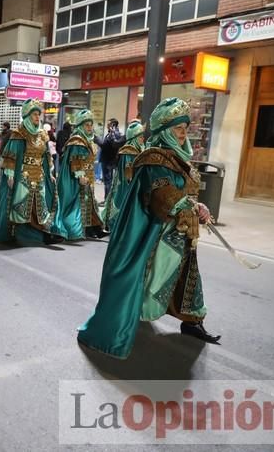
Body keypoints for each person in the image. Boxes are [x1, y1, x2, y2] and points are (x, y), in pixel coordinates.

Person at [77, 97, 221, 360]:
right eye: (178, 128)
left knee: (187, 276)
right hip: (157, 234)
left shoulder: (178, 157)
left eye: (185, 128)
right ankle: (123, 322)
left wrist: (198, 206)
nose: (183, 133)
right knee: (149, 278)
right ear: (165, 129)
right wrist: (186, 206)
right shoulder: (153, 158)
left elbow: (183, 192)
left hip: (180, 231)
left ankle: (192, 321)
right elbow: (161, 193)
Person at [0, 99, 63, 245]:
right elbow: (11, 156)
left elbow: (46, 156)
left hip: (39, 176)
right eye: (34, 114)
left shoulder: (43, 135)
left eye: (38, 115)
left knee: (40, 206)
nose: (37, 117)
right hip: (23, 176)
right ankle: (15, 234)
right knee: (21, 206)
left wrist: (50, 173)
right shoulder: (18, 134)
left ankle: (44, 233)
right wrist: (10, 174)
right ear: (27, 116)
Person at [56, 109, 106, 241]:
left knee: (89, 202)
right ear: (80, 126)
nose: (89, 127)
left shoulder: (88, 139)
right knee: (79, 203)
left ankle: (92, 228)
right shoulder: (77, 140)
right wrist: (80, 175)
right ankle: (76, 229)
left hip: (89, 176)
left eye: (91, 124)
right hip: (79, 178)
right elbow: (75, 161)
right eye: (86, 125)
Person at [101, 120, 145, 232]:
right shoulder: (129, 151)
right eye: (140, 136)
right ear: (134, 137)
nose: (142, 139)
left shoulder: (137, 149)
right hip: (126, 186)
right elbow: (128, 174)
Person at [100, 118, 124, 198]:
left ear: (113, 125)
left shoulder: (115, 134)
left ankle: (107, 199)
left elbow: (111, 145)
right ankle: (107, 198)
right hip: (107, 160)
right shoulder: (110, 133)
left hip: (109, 160)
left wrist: (99, 142)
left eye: (108, 124)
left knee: (108, 180)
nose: (107, 125)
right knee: (108, 180)